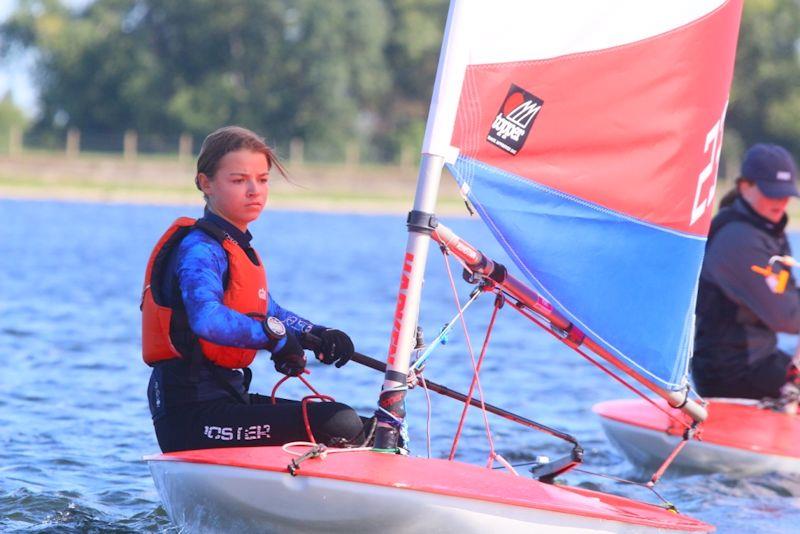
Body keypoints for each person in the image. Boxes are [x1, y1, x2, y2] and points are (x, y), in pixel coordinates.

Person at [141, 125, 366, 452]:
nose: (254, 190)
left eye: (262, 180)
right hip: (191, 414)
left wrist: (318, 333)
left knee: (369, 427)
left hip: (230, 399)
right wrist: (275, 339)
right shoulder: (200, 250)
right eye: (238, 180)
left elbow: (270, 312)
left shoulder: (237, 250)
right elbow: (207, 318)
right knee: (338, 423)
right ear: (206, 183)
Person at [693, 143, 800, 401]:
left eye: (785, 194)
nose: (781, 202)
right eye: (771, 193)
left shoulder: (768, 230)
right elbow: (786, 317)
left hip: (762, 359)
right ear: (745, 187)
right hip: (731, 373)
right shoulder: (739, 240)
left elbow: (790, 296)